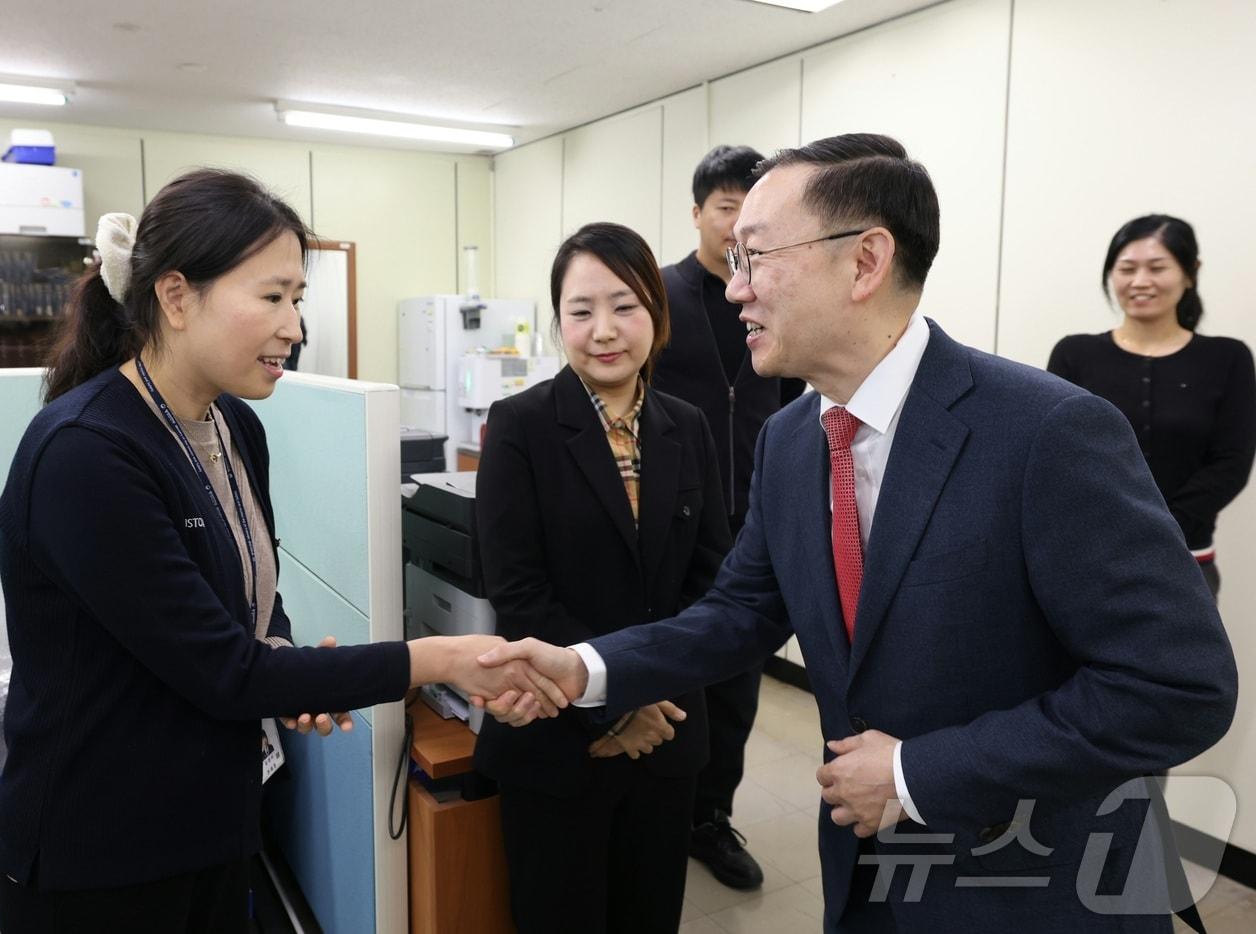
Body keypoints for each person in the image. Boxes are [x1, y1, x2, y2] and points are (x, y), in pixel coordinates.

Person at [476, 134, 1238, 933]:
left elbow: (1178, 687)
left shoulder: (1046, 432)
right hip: (866, 866)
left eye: (755, 256)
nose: (734, 291)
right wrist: (584, 667)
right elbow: (739, 612)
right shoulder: (794, 438)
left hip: (1027, 882)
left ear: (865, 261)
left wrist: (915, 772)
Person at [0, 169, 565, 934]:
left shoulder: (234, 428)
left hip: (211, 821)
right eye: (272, 296)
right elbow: (224, 670)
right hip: (101, 854)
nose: (295, 325)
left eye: (299, 299)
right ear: (175, 295)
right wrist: (442, 660)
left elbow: (250, 599)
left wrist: (288, 657)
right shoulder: (86, 453)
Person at [474, 222, 732, 934]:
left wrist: (649, 699)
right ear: (558, 323)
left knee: (650, 917)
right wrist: (619, 700)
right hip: (558, 740)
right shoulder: (520, 426)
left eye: (624, 306)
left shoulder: (690, 426)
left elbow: (711, 583)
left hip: (667, 739)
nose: (604, 330)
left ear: (656, 311)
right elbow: (518, 592)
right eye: (580, 311)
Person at [654, 143, 806, 890]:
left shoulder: (777, 295)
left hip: (751, 524)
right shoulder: (657, 294)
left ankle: (708, 819)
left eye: (753, 215)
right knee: (667, 676)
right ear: (697, 214)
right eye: (725, 210)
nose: (737, 227)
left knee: (735, 694)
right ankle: (657, 813)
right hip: (668, 525)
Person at [1048, 215, 1256, 598]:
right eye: (1126, 268)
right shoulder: (1074, 354)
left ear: (1190, 272)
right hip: (1088, 559)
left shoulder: (1229, 358)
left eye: (1157, 267)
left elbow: (1232, 462)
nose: (1140, 281)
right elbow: (1060, 456)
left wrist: (1162, 529)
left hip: (1188, 562)